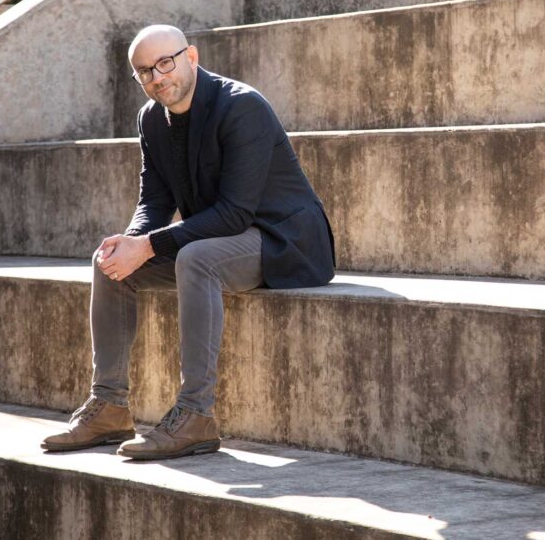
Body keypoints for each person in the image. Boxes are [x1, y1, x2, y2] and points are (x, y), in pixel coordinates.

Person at [41, 24, 336, 459]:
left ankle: (196, 415)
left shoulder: (242, 107)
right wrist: (132, 242)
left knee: (196, 258)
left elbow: (236, 212)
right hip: (222, 237)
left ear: (191, 57)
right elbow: (154, 201)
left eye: (166, 63)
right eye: (145, 72)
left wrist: (150, 246)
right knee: (109, 260)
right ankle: (108, 407)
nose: (158, 77)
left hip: (284, 242)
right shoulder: (151, 119)